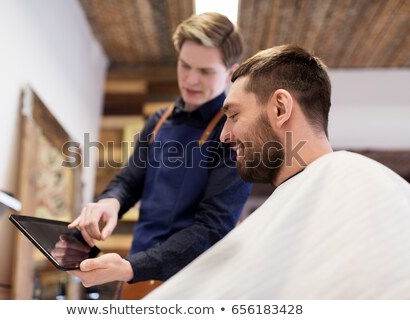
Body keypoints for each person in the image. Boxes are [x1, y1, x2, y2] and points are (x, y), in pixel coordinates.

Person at [145, 44, 410, 299]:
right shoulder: (298, 199)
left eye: (234, 115)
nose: (224, 135)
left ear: (280, 108)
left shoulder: (357, 183)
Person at [64, 13, 252, 291]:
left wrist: (133, 266)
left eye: (205, 71)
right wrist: (110, 203)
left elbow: (214, 227)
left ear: (230, 73)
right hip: (136, 274)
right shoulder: (159, 121)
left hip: (195, 285)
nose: (191, 79)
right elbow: (128, 182)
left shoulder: (234, 132)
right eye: (185, 65)